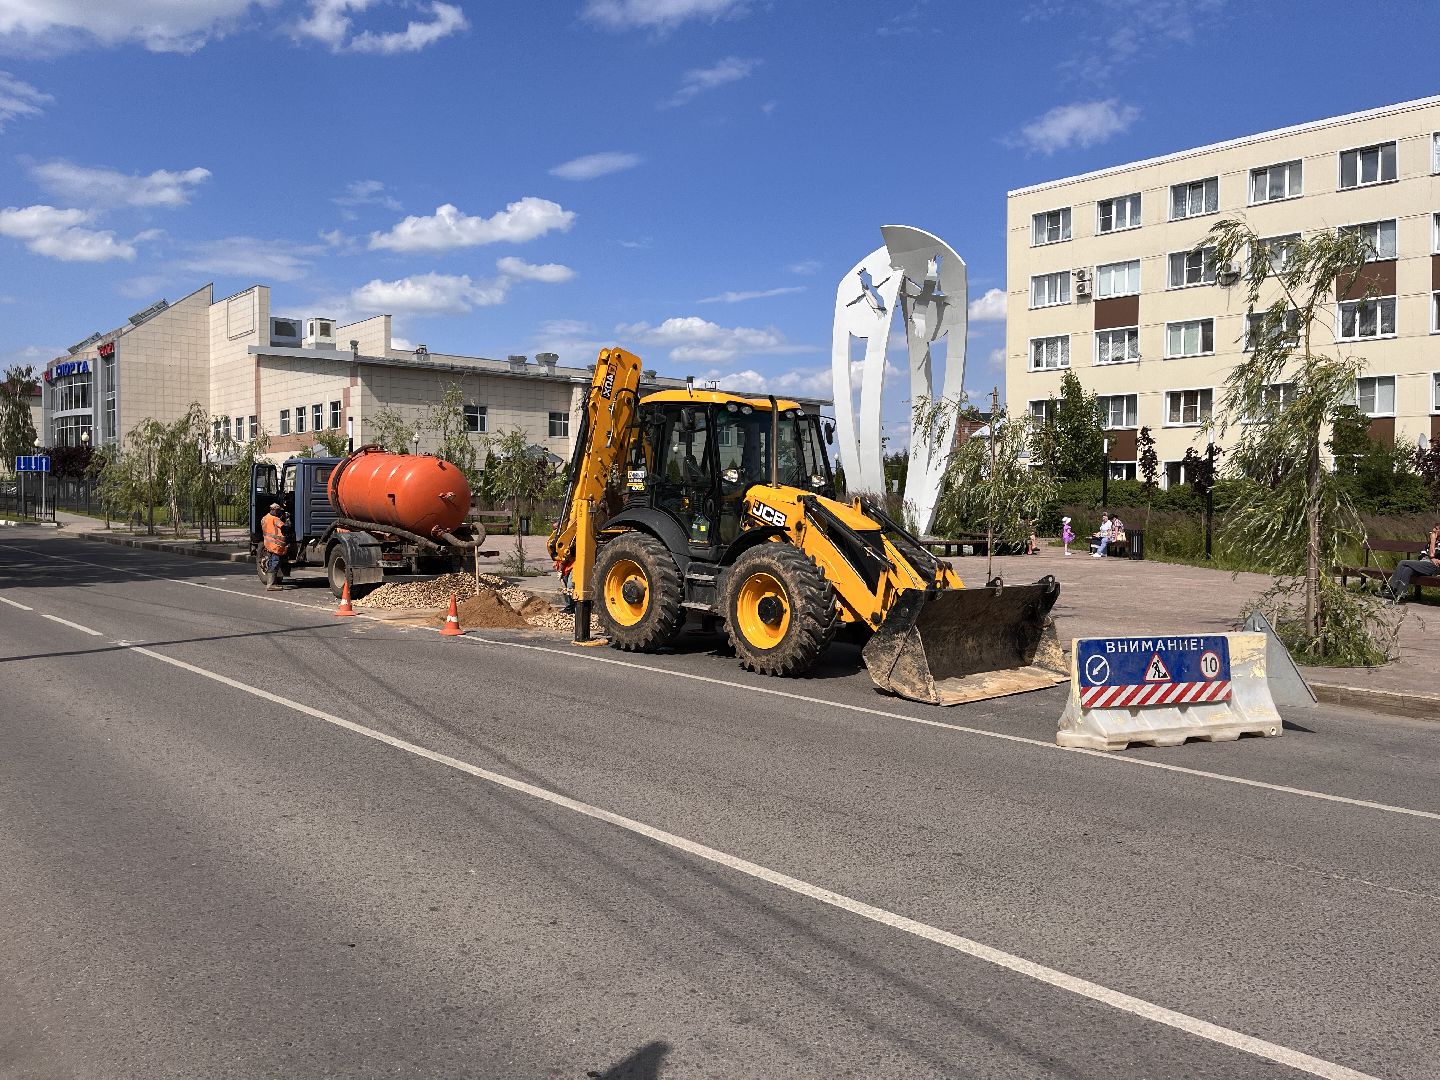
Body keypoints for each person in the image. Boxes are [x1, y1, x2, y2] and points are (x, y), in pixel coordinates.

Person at [1383, 523, 1440, 603]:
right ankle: (1401, 596)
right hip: (1423, 565)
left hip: (1433, 568)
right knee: (1407, 570)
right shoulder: (1429, 543)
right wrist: (1432, 557)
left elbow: (1431, 554)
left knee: (1403, 563)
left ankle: (1391, 589)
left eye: (1437, 529)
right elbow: (1421, 555)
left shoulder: (1434, 542)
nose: (1434, 531)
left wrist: (1433, 543)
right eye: (1434, 528)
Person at [259, 501, 289, 591]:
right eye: (278, 511)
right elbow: (285, 528)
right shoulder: (275, 519)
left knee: (271, 562)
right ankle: (271, 584)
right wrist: (287, 521)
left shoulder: (264, 518)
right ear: (274, 510)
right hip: (276, 545)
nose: (279, 513)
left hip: (268, 545)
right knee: (275, 563)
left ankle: (271, 583)